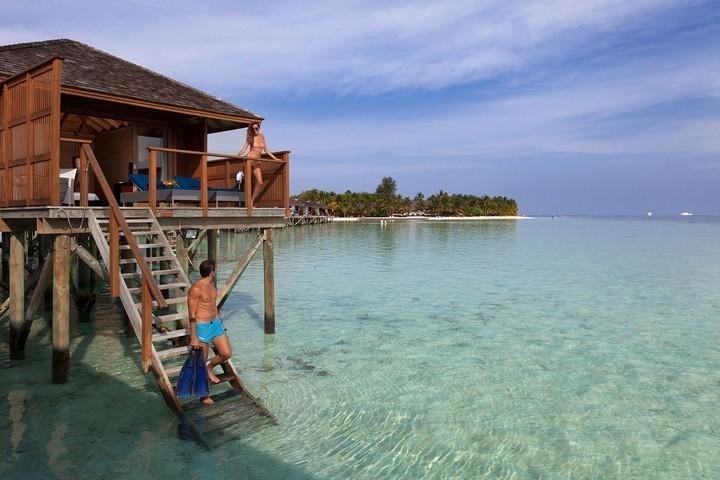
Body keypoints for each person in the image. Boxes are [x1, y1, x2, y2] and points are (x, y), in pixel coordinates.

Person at [187, 259, 232, 405]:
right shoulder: (196, 289)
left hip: (216, 324)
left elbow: (213, 305)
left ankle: (210, 367)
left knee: (226, 353)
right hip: (202, 326)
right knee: (201, 360)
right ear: (212, 271)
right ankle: (204, 395)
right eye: (216, 269)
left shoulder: (211, 285)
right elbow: (192, 315)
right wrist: (193, 337)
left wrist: (219, 321)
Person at [237, 122, 279, 204]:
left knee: (260, 182)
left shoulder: (262, 136)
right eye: (253, 129)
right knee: (247, 183)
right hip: (249, 161)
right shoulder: (250, 138)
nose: (255, 130)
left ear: (259, 128)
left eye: (256, 128)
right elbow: (244, 149)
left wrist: (276, 158)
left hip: (257, 162)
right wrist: (236, 155)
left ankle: (251, 201)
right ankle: (246, 203)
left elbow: (266, 150)